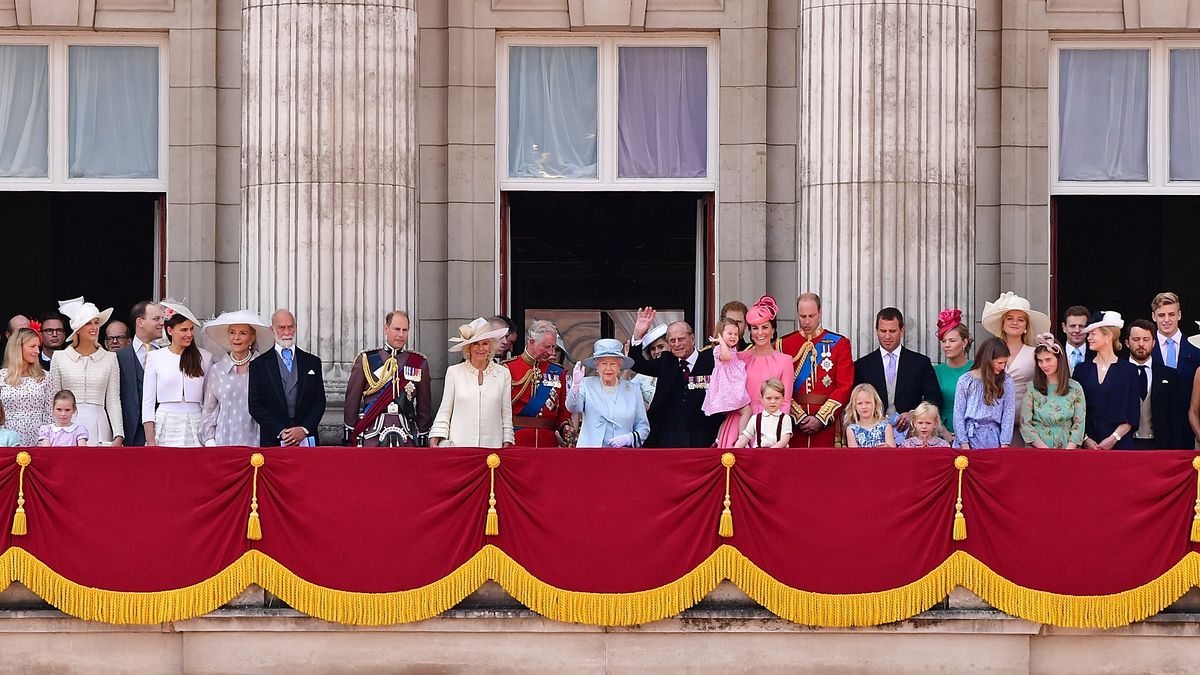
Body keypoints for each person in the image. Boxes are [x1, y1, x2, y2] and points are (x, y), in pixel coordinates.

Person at [629, 307, 722, 448]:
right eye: (672, 341)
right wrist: (638, 334)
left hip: (703, 438)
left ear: (692, 338)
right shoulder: (667, 361)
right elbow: (637, 364)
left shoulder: (711, 360)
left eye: (681, 339)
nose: (677, 344)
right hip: (667, 439)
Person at [712, 296, 794, 447]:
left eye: (765, 327)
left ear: (773, 329)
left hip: (770, 425)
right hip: (738, 422)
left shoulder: (785, 361)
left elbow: (786, 401)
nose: (760, 332)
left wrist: (779, 431)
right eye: (755, 328)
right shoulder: (739, 358)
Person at [343, 310, 432, 446]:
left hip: (406, 434)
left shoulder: (418, 362)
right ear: (386, 329)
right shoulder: (367, 360)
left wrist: (422, 434)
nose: (401, 335)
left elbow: (424, 406)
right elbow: (352, 400)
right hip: (372, 432)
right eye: (397, 329)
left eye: (405, 330)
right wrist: (350, 434)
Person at [776, 293, 854, 448]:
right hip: (794, 423)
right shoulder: (783, 345)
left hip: (827, 422)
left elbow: (844, 386)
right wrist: (798, 417)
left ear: (820, 313)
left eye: (811, 316)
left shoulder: (839, 343)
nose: (806, 321)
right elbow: (778, 387)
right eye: (802, 316)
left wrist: (821, 418)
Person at [854, 307, 941, 442]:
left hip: (912, 434)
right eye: (883, 331)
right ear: (876, 331)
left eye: (892, 331)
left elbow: (934, 398)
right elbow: (854, 401)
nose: (887, 336)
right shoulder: (862, 365)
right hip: (874, 435)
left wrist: (914, 414)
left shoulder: (920, 362)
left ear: (902, 331)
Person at [429, 318, 514, 448]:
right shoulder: (454, 372)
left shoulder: (503, 374)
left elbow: (506, 414)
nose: (480, 348)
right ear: (468, 347)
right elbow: (445, 410)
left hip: (493, 448)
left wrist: (507, 441)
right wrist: (436, 437)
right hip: (459, 447)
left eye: (485, 343)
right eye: (475, 344)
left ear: (491, 346)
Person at [49, 298, 124, 446]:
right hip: (65, 427)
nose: (94, 327)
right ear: (78, 328)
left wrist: (119, 434)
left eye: (96, 322)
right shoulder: (59, 357)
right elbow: (53, 398)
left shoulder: (110, 358)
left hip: (99, 427)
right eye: (88, 323)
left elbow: (113, 399)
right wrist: (51, 432)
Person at [247, 309, 327, 447]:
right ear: (272, 329)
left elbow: (319, 401)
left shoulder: (312, 362)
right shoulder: (258, 365)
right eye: (282, 328)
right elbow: (255, 405)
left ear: (295, 327)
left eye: (290, 327)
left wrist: (304, 429)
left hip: (306, 438)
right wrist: (280, 431)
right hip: (273, 439)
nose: (287, 332)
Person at [981, 292, 1051, 447]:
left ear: (1026, 326)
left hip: (1024, 424)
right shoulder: (990, 351)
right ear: (1003, 323)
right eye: (1010, 318)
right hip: (990, 423)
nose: (1015, 323)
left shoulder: (1034, 353)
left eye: (1020, 320)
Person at [143, 302, 213, 447]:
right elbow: (148, 402)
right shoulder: (155, 357)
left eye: (191, 329)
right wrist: (150, 439)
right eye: (183, 330)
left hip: (196, 421)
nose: (189, 334)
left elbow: (209, 401)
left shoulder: (205, 357)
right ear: (170, 330)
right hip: (165, 423)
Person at [201, 310, 274, 447]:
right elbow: (208, 411)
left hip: (257, 442)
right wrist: (210, 440)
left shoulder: (263, 368)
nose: (236, 338)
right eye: (232, 332)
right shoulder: (217, 370)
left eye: (243, 333)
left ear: (252, 338)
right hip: (223, 442)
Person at [1072, 311, 1139, 450]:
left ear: (1108, 336)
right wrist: (1085, 439)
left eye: (1093, 334)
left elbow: (1132, 413)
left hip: (1121, 446)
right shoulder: (1081, 370)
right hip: (1088, 445)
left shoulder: (1129, 370)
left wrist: (1113, 439)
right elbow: (1073, 409)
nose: (1088, 338)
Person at [566, 338, 650, 447]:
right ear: (597, 365)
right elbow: (573, 407)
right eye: (604, 363)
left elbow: (643, 427)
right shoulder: (586, 384)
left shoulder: (633, 389)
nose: (608, 368)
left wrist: (629, 438)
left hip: (622, 454)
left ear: (620, 365)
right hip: (590, 454)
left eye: (613, 363)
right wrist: (575, 386)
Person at [504, 320, 573, 447]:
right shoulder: (507, 368)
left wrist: (565, 428)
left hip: (547, 443)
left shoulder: (558, 372)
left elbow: (563, 412)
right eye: (547, 347)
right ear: (531, 342)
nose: (552, 353)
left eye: (554, 347)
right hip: (516, 441)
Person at [1150, 292, 1200, 448]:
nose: (1166, 320)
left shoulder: (1196, 350)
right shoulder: (1146, 350)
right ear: (1153, 317)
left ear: (1179, 315)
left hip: (1188, 431)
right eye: (1161, 315)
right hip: (1153, 431)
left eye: (1171, 314)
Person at [1020, 333, 1086, 449]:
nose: (1044, 365)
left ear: (1059, 359)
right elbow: (1025, 423)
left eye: (1048, 359)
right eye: (1040, 361)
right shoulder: (1032, 387)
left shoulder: (1075, 388)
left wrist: (1068, 450)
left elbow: (1079, 423)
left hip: (1067, 448)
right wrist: (1045, 451)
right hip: (1038, 449)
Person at [116, 300, 164, 446]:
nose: (161, 323)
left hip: (161, 431)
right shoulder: (119, 357)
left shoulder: (166, 354)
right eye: (156, 319)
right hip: (129, 434)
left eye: (162, 319)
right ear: (140, 322)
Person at [953, 337, 1016, 449]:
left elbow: (1008, 413)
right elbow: (958, 413)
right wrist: (964, 443)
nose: (1003, 367)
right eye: (999, 362)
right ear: (987, 359)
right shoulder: (966, 380)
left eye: (1005, 363)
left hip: (992, 440)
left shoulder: (1006, 381)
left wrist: (1005, 443)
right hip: (968, 438)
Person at [1126, 319, 1178, 450]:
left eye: (1146, 339)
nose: (1141, 344)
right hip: (1125, 445)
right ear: (1127, 343)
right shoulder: (1117, 372)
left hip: (1159, 446)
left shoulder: (1169, 375)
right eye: (1136, 339)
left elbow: (1175, 415)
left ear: (1154, 343)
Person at [703, 318, 752, 447]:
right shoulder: (719, 349)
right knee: (746, 411)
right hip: (729, 390)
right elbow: (726, 357)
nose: (733, 336)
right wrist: (721, 342)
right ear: (720, 334)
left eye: (736, 334)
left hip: (732, 388)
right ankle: (743, 436)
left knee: (729, 417)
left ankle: (719, 439)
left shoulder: (731, 349)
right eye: (729, 333)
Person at [0, 327, 51, 446]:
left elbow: (50, 414)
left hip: (38, 438)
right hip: (8, 440)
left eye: (38, 347)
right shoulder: (2, 376)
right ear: (18, 347)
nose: (37, 351)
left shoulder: (45, 377)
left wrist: (46, 441)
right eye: (32, 346)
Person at [933, 309, 973, 438]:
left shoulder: (977, 369)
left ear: (965, 342)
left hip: (973, 433)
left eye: (952, 340)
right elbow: (930, 405)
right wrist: (943, 431)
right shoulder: (936, 371)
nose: (947, 345)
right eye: (944, 341)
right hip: (943, 433)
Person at [733, 379, 794, 448]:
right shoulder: (755, 419)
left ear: (783, 399)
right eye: (768, 398)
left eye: (777, 398)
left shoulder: (785, 418)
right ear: (761, 399)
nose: (773, 401)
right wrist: (734, 451)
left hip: (779, 454)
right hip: (759, 455)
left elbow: (785, 439)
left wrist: (770, 452)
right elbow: (744, 438)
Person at [844, 383, 895, 448]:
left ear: (875, 404)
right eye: (859, 403)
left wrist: (887, 448)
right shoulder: (851, 429)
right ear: (854, 406)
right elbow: (854, 455)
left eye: (868, 402)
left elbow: (894, 453)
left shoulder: (886, 427)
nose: (864, 407)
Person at [630, 323, 668, 408]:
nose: (657, 351)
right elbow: (626, 392)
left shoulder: (681, 366)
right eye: (653, 349)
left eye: (661, 347)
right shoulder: (643, 375)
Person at [1061, 305, 1091, 373]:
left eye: (1081, 326)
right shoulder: (1056, 353)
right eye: (1072, 326)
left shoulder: (1096, 354)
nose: (1077, 330)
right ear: (1064, 327)